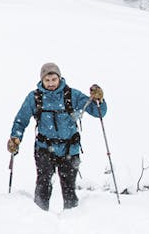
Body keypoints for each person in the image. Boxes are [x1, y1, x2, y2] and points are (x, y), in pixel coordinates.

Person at [8, 62, 107, 211]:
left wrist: (99, 100)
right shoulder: (35, 97)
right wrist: (15, 138)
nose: (51, 83)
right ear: (41, 80)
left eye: (54, 79)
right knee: (43, 185)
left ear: (59, 78)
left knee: (69, 189)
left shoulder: (72, 95)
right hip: (44, 149)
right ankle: (39, 219)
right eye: (47, 80)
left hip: (70, 149)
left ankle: (73, 220)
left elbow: (99, 112)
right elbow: (21, 120)